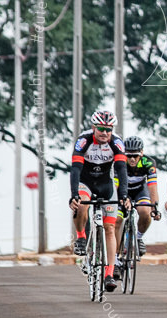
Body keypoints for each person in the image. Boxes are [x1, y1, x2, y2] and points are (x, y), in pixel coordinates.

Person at [68, 110, 131, 292]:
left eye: (108, 129)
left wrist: (124, 196)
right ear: (93, 127)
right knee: (81, 205)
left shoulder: (116, 143)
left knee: (110, 228)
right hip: (86, 182)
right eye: (101, 129)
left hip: (105, 184)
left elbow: (121, 170)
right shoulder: (84, 141)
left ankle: (109, 273)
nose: (105, 133)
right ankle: (81, 236)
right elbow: (75, 169)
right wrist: (74, 194)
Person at [116, 136, 161, 261]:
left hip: (140, 191)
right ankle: (115, 258)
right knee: (117, 220)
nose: (131, 159)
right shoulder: (119, 162)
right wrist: (122, 198)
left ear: (141, 153)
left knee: (145, 212)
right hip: (122, 191)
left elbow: (153, 187)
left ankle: (138, 237)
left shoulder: (149, 163)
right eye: (128, 155)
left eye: (135, 156)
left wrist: (154, 206)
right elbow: (115, 185)